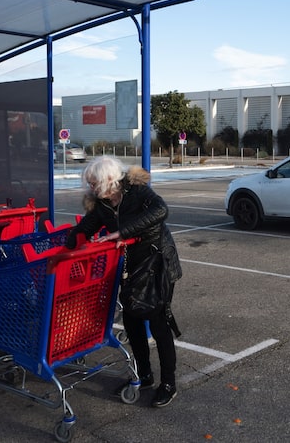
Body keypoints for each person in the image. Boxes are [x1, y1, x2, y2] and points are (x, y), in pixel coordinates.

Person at [64, 155, 182, 407]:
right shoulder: (103, 204)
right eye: (90, 183)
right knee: (131, 320)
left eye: (94, 183)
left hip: (157, 262)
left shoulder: (138, 191)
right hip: (132, 267)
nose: (91, 188)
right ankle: (144, 374)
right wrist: (66, 246)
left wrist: (122, 232)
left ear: (109, 179)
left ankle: (169, 383)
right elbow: (86, 227)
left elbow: (161, 211)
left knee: (159, 323)